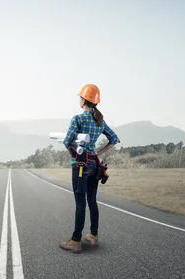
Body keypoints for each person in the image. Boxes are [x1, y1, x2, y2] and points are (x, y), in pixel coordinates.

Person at [59, 84, 120, 254]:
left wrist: (73, 152)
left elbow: (66, 141)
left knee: (80, 203)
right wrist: (97, 152)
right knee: (92, 201)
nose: (79, 99)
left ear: (84, 100)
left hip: (80, 164)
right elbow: (114, 139)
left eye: (80, 97)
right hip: (94, 163)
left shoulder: (78, 119)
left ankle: (75, 241)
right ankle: (93, 236)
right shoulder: (99, 120)